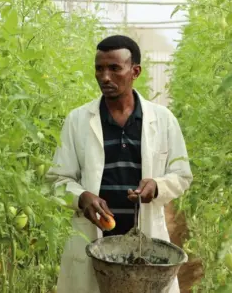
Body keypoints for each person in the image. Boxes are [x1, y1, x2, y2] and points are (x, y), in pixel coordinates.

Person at [46, 35, 193, 293]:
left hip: (145, 241)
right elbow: (57, 179)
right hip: (95, 240)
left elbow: (182, 175)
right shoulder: (78, 120)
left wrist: (156, 187)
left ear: (135, 71)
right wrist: (82, 197)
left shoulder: (163, 120)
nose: (105, 77)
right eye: (99, 68)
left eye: (114, 68)